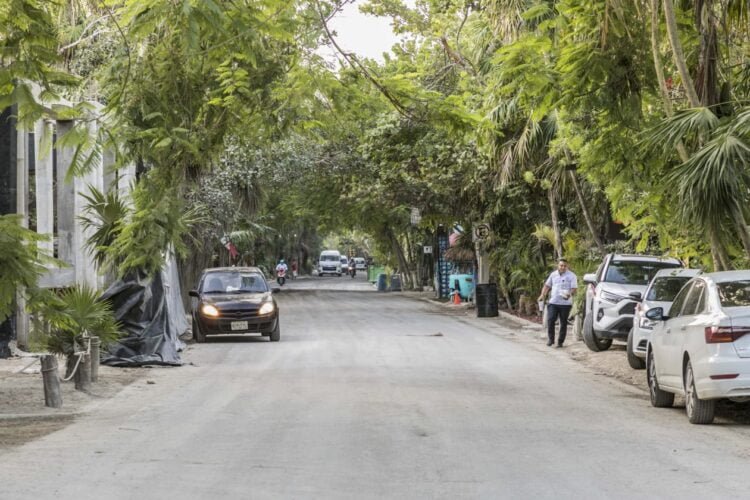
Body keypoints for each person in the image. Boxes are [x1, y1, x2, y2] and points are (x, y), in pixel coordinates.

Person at [538, 258, 577, 348]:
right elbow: (547, 285)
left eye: (564, 266)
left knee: (563, 323)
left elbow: (574, 288)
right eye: (561, 265)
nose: (563, 267)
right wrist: (542, 295)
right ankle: (551, 339)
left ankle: (560, 341)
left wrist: (569, 294)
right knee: (550, 320)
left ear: (567, 266)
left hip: (565, 303)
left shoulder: (572, 276)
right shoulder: (553, 275)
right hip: (553, 302)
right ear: (558, 266)